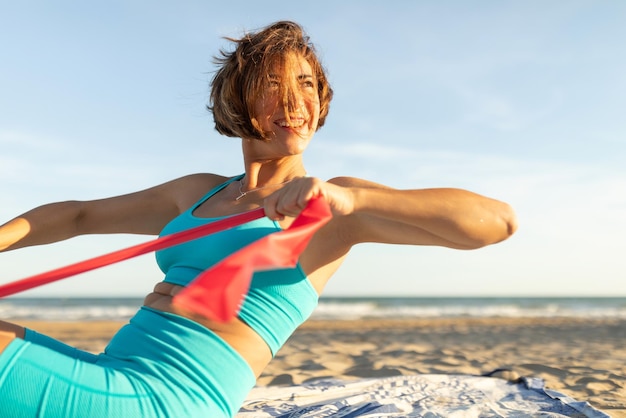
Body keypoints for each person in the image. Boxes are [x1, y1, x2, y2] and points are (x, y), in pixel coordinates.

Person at [0, 21, 517, 418]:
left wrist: (353, 202)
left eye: (308, 84)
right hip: (112, 370)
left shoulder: (333, 206)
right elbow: (78, 215)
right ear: (237, 98)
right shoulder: (198, 191)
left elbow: (494, 222)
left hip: (169, 399)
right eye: (273, 83)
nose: (297, 101)